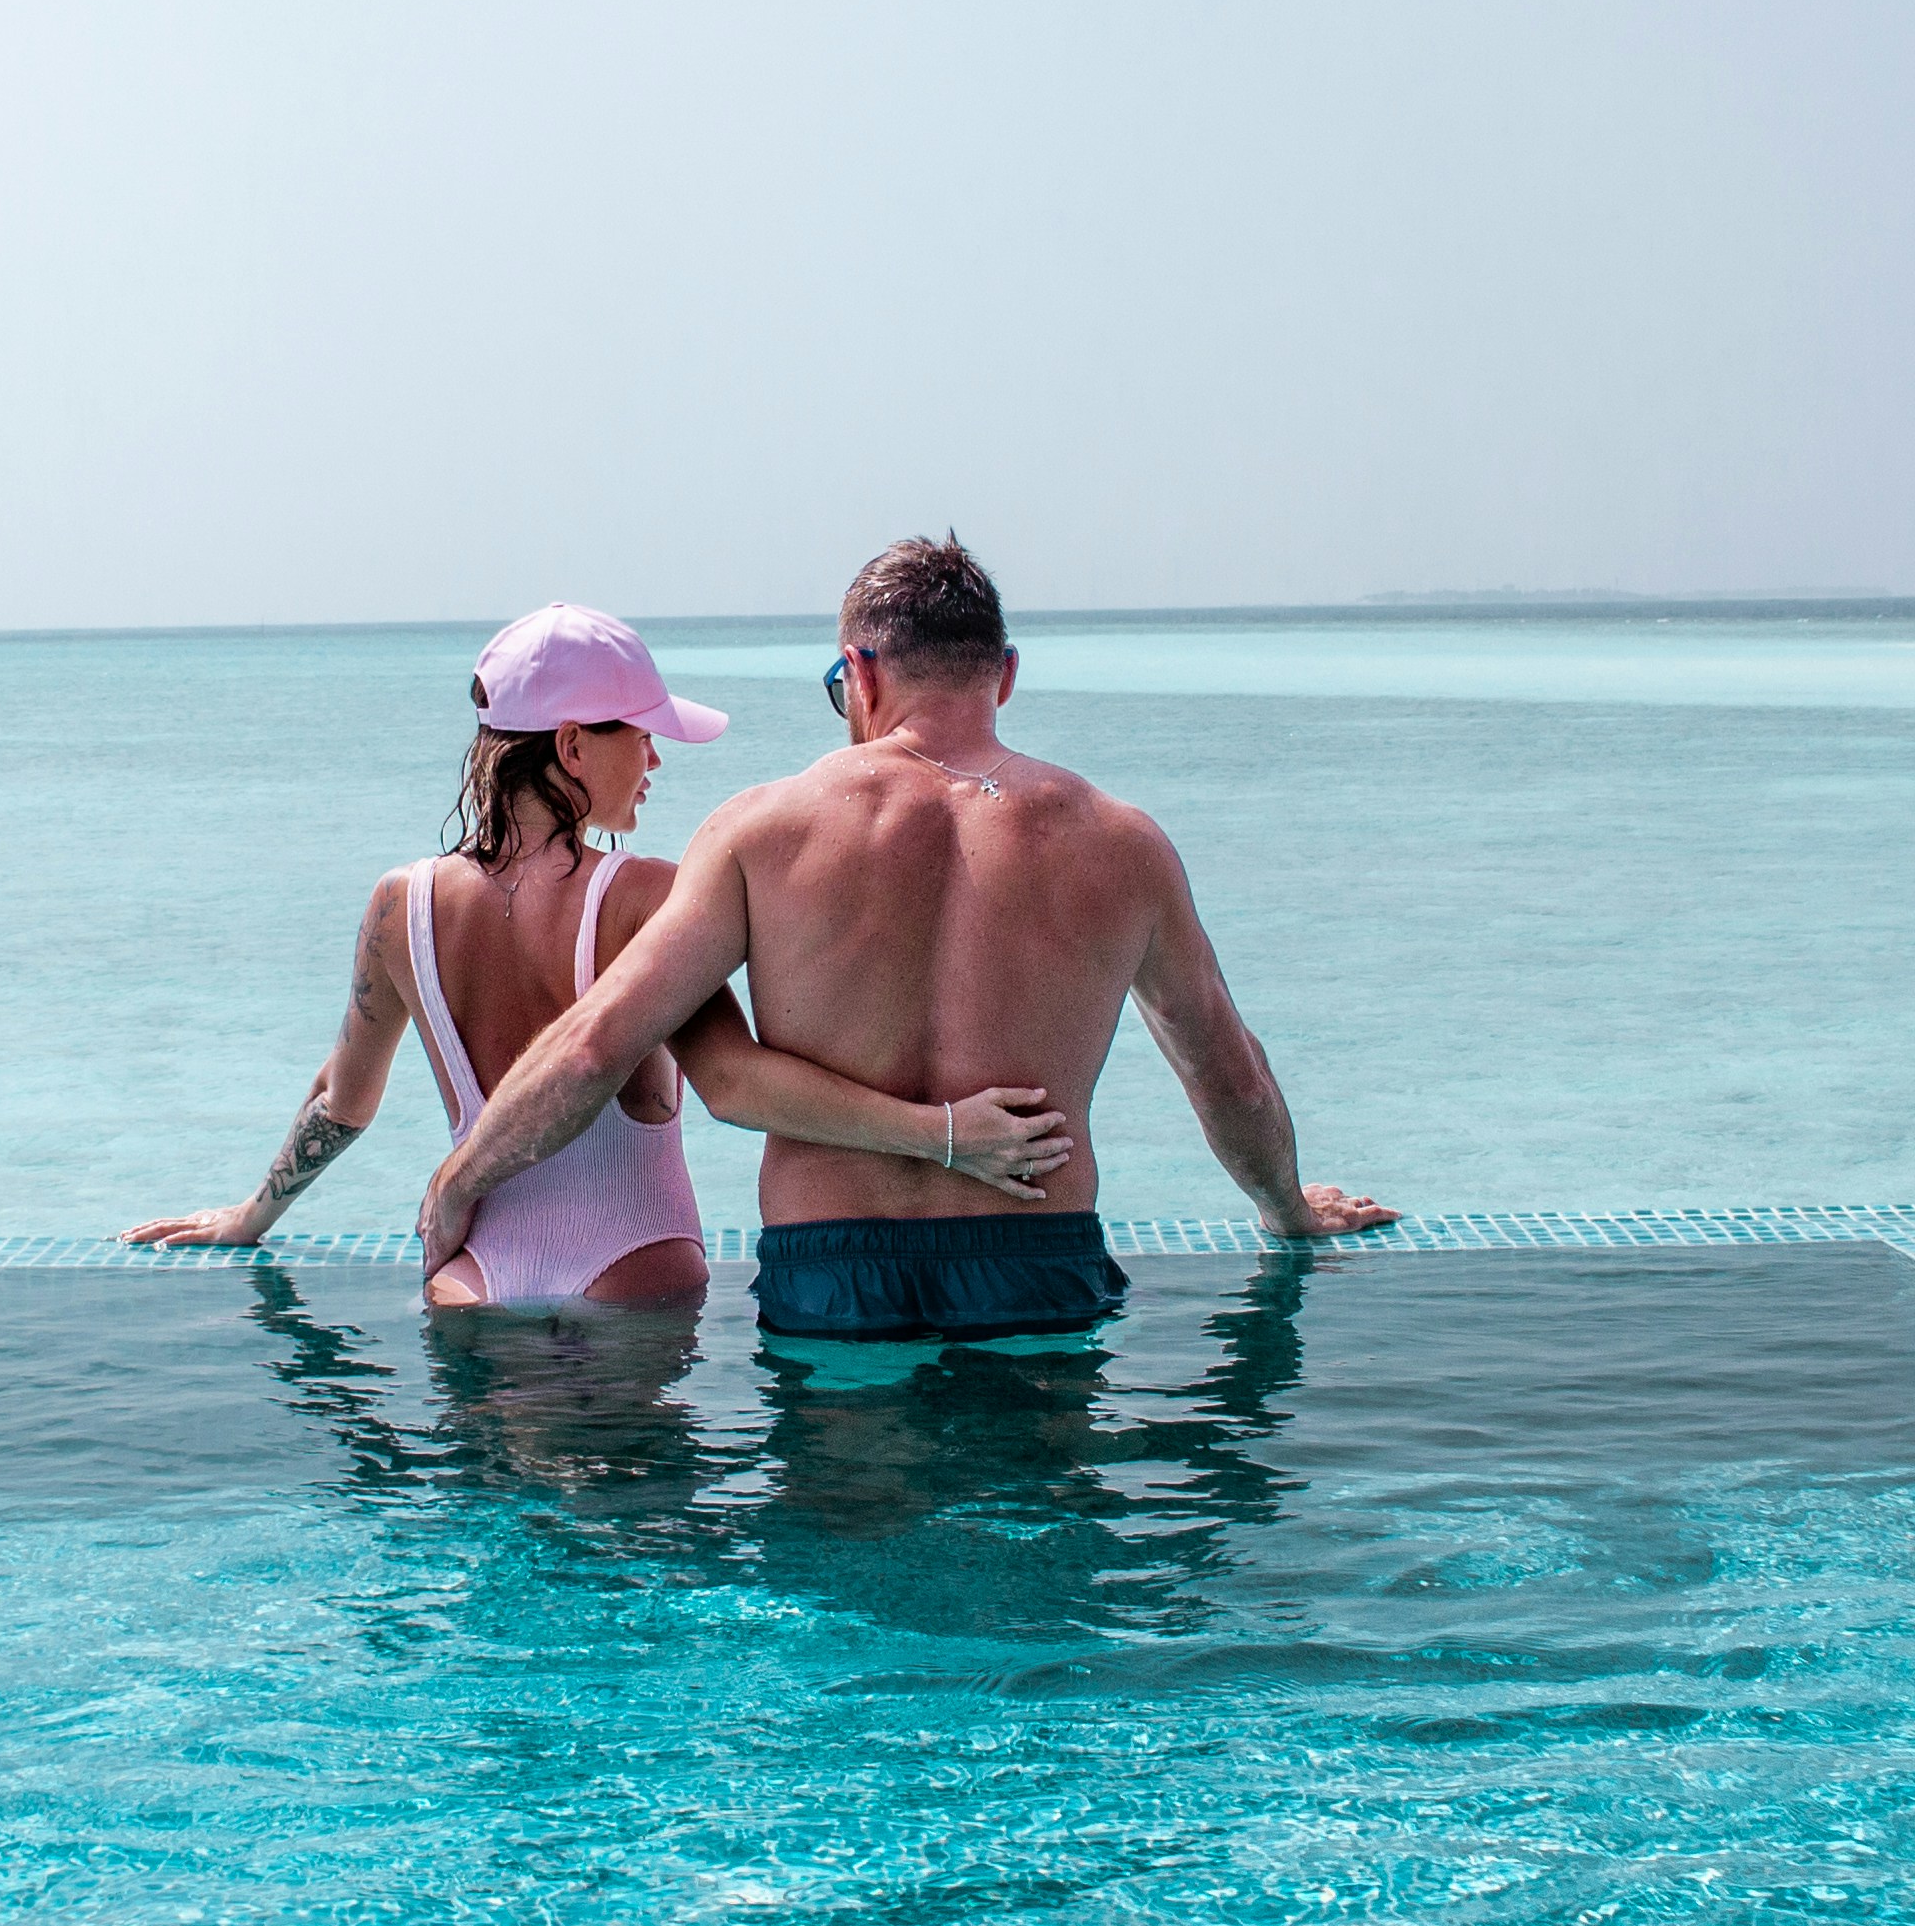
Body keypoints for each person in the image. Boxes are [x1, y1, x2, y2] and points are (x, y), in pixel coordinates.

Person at [418, 540, 1395, 1341]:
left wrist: (460, 1185)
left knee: (843, 1522)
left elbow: (596, 1046)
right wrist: (1287, 1210)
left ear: (861, 673)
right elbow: (1225, 1072)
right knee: (1033, 1518)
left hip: (831, 1272)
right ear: (1004, 676)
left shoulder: (761, 830)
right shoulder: (1121, 843)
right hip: (1036, 1261)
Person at [125, 600, 1073, 1305]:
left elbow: (344, 1097)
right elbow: (734, 1081)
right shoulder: (646, 896)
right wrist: (943, 1135)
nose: (656, 761)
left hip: (473, 1279)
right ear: (574, 746)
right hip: (633, 1272)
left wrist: (252, 1215)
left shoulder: (398, 906)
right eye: (643, 737)